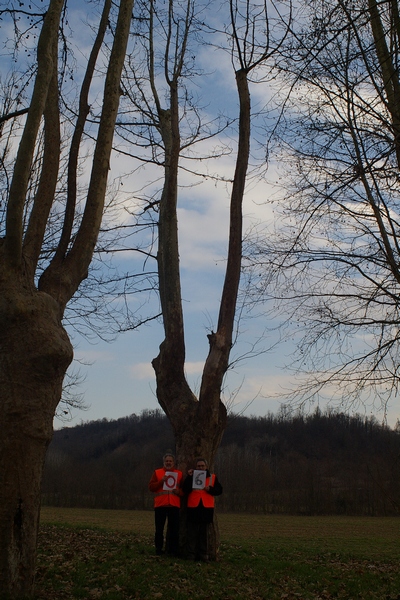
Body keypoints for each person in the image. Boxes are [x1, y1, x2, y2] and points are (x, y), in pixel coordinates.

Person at [183, 457, 223, 561]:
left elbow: (219, 490)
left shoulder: (212, 477)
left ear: (206, 466)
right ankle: (191, 554)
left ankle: (203, 554)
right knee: (192, 533)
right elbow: (185, 489)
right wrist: (189, 477)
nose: (200, 467)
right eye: (198, 466)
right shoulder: (191, 476)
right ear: (196, 467)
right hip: (193, 507)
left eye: (202, 466)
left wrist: (210, 489)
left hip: (206, 508)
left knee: (204, 533)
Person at [148, 451, 183, 556]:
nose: (168, 462)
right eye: (167, 461)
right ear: (164, 462)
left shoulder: (179, 474)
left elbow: (184, 490)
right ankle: (158, 550)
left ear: (174, 462)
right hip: (160, 505)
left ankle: (173, 551)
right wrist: (160, 482)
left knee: (174, 530)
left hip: (174, 505)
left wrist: (179, 492)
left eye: (170, 461)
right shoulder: (157, 472)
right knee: (159, 530)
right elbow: (151, 487)